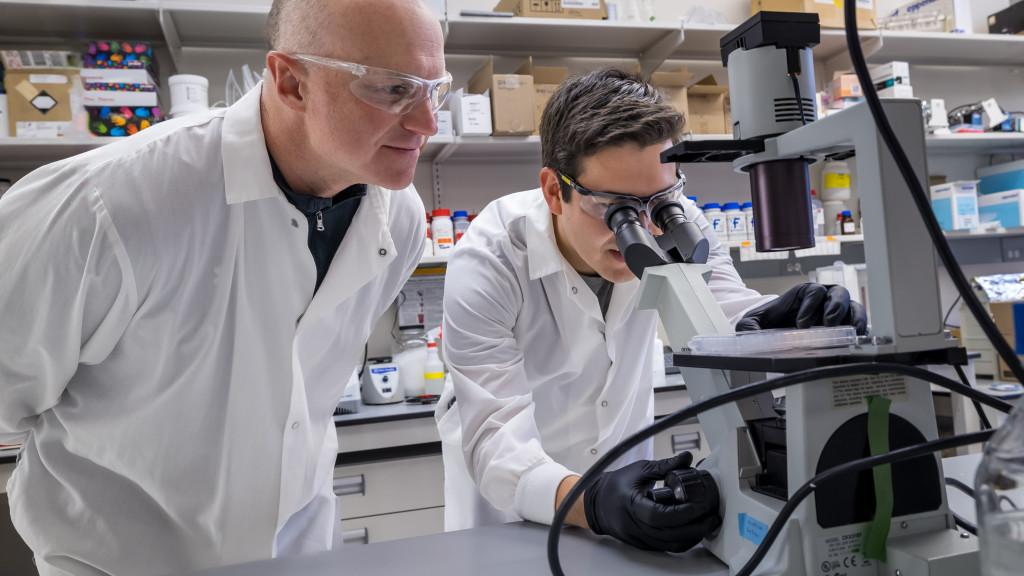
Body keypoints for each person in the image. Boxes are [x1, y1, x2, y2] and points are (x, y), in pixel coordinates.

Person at [0, 1, 448, 574]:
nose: (426, 123)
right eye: (391, 89)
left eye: (435, 89)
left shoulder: (400, 219)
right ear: (291, 82)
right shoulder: (110, 207)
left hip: (301, 557)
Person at [436, 68, 866, 552]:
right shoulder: (490, 256)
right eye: (614, 210)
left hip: (625, 507)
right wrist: (593, 502)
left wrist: (797, 318)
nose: (641, 229)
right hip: (510, 513)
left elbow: (726, 312)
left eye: (659, 202)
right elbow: (495, 440)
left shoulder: (682, 223)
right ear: (556, 191)